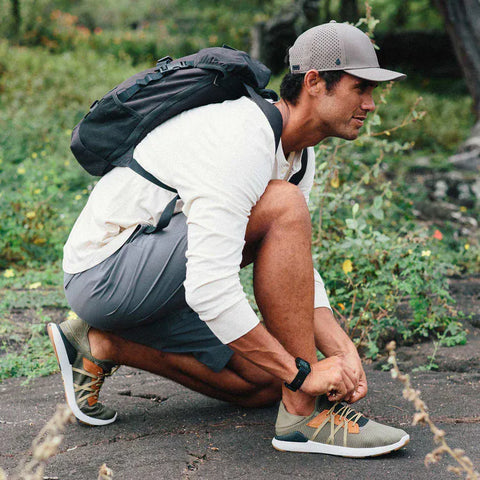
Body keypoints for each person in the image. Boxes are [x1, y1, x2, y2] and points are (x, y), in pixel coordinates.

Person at [48, 21, 410, 457]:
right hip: (105, 275)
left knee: (264, 381)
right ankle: (304, 417)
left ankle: (101, 343)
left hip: (157, 280)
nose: (370, 104)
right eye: (360, 88)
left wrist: (340, 348)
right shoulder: (244, 136)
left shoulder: (298, 155)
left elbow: (295, 262)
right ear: (315, 82)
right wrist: (304, 376)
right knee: (284, 211)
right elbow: (209, 286)